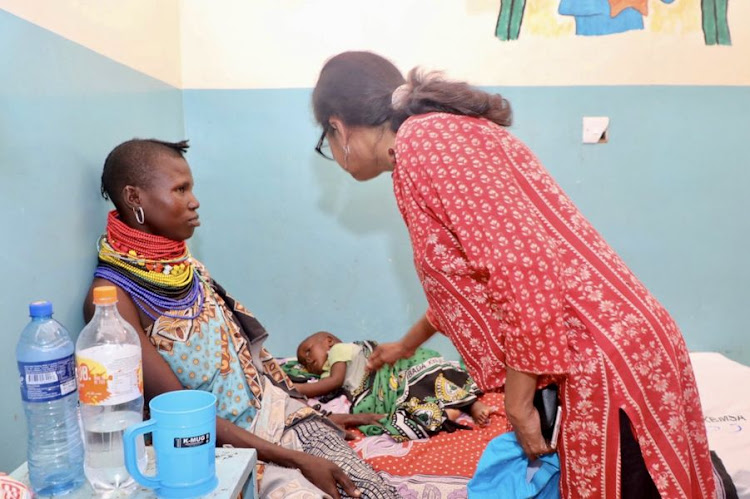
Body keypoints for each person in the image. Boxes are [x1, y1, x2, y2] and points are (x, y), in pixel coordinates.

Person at [311, 51, 715, 498]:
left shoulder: (425, 143)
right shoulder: (434, 139)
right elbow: (472, 279)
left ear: (338, 127)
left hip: (599, 357)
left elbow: (522, 267)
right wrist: (407, 344)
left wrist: (518, 402)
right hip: (611, 343)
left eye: (326, 141)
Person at [83, 138, 398, 499]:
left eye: (192, 188)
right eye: (180, 189)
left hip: (270, 418)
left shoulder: (186, 269)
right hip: (213, 453)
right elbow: (185, 419)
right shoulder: (111, 302)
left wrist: (308, 413)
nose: (194, 200)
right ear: (134, 198)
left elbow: (242, 368)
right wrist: (297, 459)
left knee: (373, 491)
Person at [294, 331, 496, 441]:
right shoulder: (327, 369)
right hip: (375, 388)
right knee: (405, 400)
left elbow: (333, 382)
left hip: (388, 374)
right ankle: (449, 410)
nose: (307, 361)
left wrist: (295, 388)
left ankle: (471, 405)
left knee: (421, 375)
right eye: (303, 362)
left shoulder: (338, 351)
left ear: (328, 341)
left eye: (308, 351)